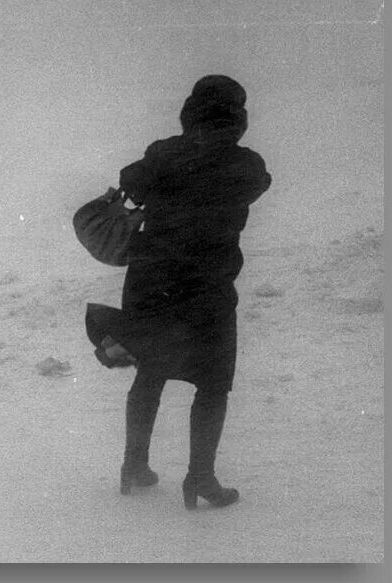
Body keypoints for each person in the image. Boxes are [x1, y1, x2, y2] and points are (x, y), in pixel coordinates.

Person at [113, 75, 272, 510]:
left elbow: (131, 180)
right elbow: (260, 185)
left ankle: (134, 465)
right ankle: (200, 476)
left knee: (150, 372)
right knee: (213, 383)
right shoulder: (247, 165)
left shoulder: (162, 153)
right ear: (238, 118)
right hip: (208, 285)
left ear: (189, 112)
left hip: (153, 282)